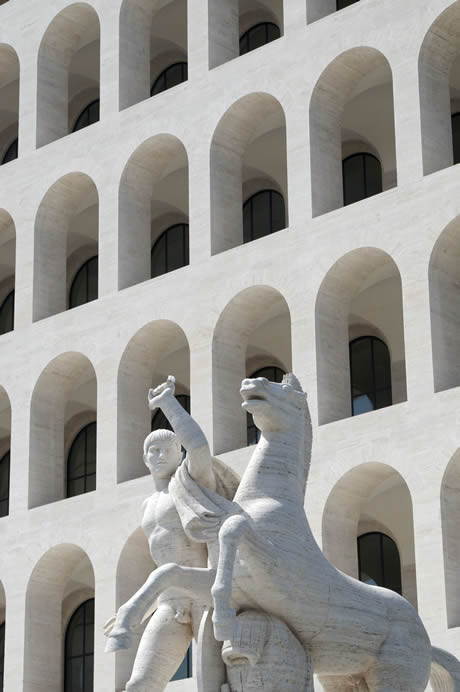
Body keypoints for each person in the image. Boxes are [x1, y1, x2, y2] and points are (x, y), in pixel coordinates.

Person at [104, 376, 238, 692]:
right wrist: (147, 606)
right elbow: (160, 565)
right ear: (144, 458)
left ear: (179, 454)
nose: (160, 455)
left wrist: (168, 403)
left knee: (217, 685)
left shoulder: (190, 483)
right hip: (169, 603)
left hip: (205, 595)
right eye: (153, 450)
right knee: (139, 683)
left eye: (168, 449)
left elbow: (200, 447)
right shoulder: (147, 504)